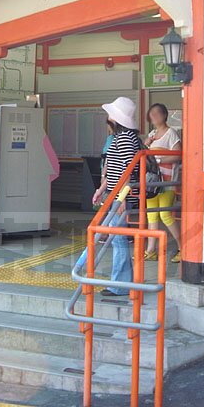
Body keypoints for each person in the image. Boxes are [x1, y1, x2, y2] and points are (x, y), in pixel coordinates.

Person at [75, 96, 140, 297]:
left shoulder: (126, 138)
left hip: (120, 196)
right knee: (115, 237)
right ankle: (121, 283)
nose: (108, 116)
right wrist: (101, 189)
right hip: (115, 194)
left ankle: (119, 285)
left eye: (111, 113)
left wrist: (122, 197)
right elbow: (115, 170)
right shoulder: (122, 137)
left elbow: (128, 170)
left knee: (117, 239)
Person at [144, 103, 182, 263]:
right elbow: (144, 155)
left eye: (157, 113)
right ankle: (150, 250)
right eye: (151, 113)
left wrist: (159, 159)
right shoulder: (152, 134)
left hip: (167, 182)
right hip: (153, 182)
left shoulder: (171, 133)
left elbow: (178, 155)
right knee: (152, 215)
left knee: (165, 215)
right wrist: (147, 142)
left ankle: (183, 248)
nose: (153, 116)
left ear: (165, 115)